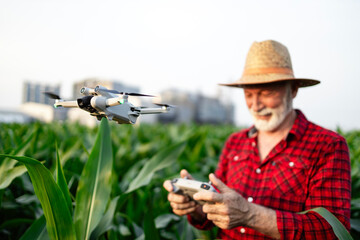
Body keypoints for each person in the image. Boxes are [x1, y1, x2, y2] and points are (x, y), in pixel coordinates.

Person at [163, 40, 351, 239]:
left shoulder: (327, 146)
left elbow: (331, 232)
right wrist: (197, 206)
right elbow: (218, 213)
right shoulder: (235, 142)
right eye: (249, 94)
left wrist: (250, 214)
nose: (255, 105)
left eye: (266, 92)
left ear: (293, 90)